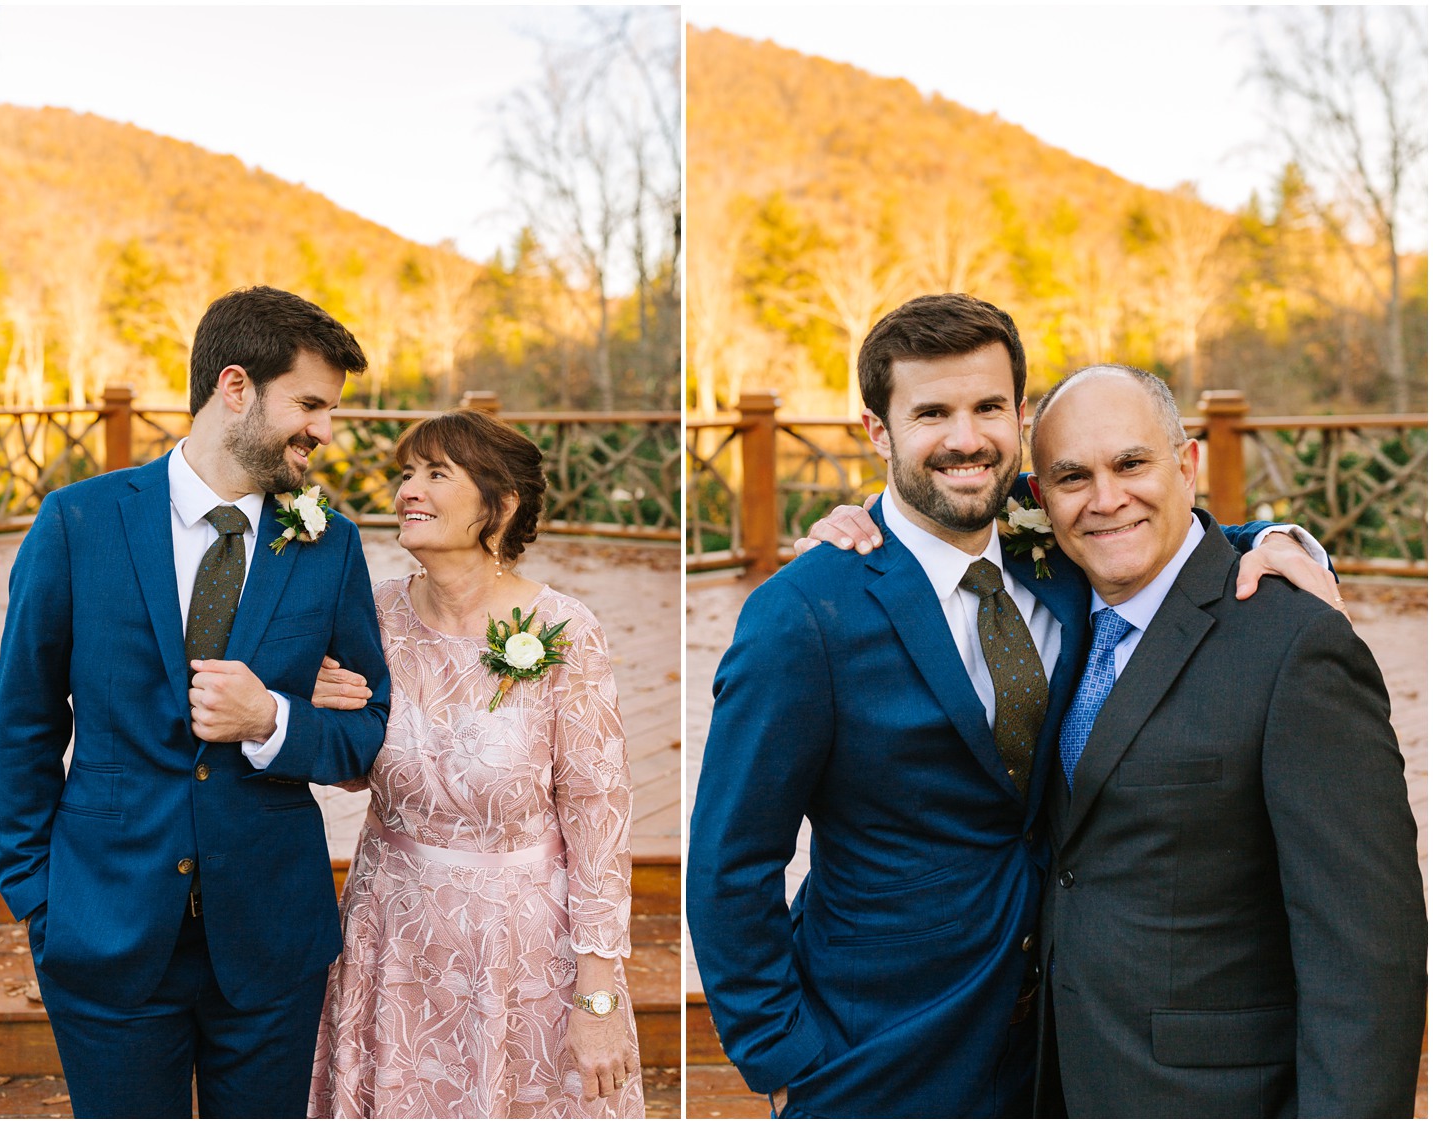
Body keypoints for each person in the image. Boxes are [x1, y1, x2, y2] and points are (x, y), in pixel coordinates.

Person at [686, 293, 1338, 1119]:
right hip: (874, 1056)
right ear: (876, 433)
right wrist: (785, 1055)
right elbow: (728, 864)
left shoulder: (1056, 562)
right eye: (932, 413)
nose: (966, 438)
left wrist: (1276, 540)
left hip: (1051, 1054)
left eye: (988, 406)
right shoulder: (803, 617)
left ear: (1021, 417)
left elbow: (1158, 530)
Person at [0, 286, 393, 1118]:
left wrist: (275, 722)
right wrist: (40, 898)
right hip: (104, 927)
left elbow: (367, 730)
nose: (325, 431)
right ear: (236, 387)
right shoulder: (76, 523)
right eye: (311, 405)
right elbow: (25, 723)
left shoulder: (330, 542)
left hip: (273, 939)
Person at [1024, 365, 1426, 1117]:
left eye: (1132, 463)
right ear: (1042, 499)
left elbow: (1370, 952)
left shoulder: (1294, 645)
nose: (1105, 499)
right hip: (1066, 1084)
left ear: (1188, 464)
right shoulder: (1053, 615)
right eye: (1073, 477)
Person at [305, 409, 645, 1119]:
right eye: (405, 474)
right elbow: (350, 770)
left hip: (520, 953)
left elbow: (598, 818)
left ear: (501, 504)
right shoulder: (375, 615)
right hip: (391, 935)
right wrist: (318, 708)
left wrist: (599, 996)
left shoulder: (563, 630)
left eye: (436, 474)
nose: (408, 491)